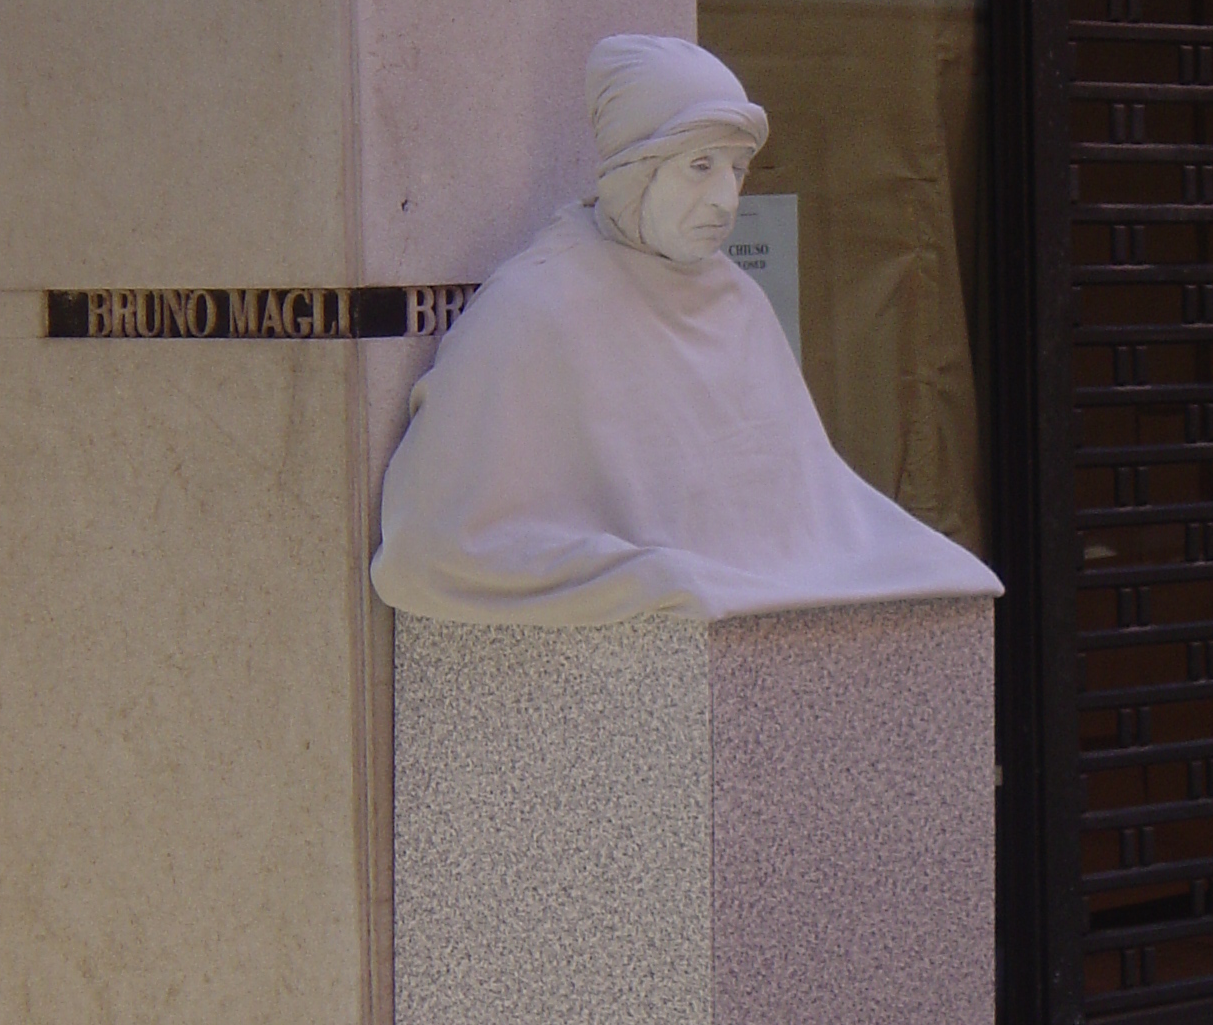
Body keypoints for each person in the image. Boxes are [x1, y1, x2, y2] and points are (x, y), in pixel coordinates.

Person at [369, 34, 1001, 625]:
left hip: (753, 608)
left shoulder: (736, 300)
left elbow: (810, 505)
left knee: (941, 572)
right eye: (700, 166)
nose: (727, 200)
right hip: (651, 657)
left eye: (738, 169)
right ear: (633, 174)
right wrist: (636, 576)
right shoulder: (534, 306)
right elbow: (434, 546)